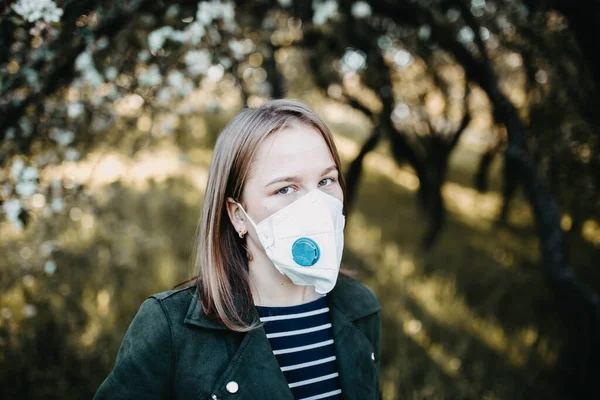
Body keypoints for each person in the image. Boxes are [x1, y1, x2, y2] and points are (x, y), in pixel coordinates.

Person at [94, 99, 381, 400]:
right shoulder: (171, 329)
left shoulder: (360, 307)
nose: (316, 205)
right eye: (285, 188)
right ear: (238, 215)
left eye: (326, 180)